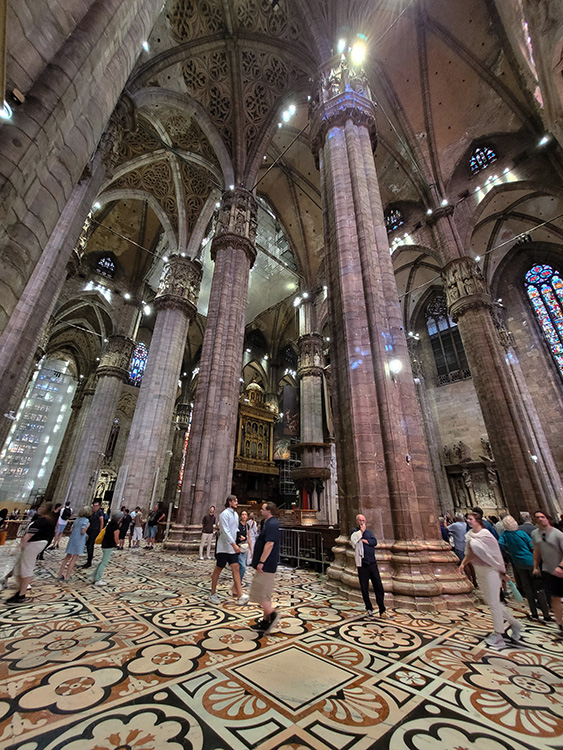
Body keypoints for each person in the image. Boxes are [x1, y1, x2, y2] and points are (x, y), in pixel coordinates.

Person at [460, 511, 522, 649]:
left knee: (494, 603)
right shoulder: (469, 535)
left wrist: (502, 571)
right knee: (491, 602)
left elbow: (495, 554)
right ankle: (515, 624)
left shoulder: (486, 534)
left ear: (478, 520)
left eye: (470, 519)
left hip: (491, 570)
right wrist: (463, 564)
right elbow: (469, 553)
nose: (468, 521)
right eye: (467, 519)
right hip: (479, 569)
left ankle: (499, 634)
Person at [499, 515, 550, 623]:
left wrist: (508, 553)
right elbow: (532, 547)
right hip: (530, 561)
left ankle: (534, 613)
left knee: (527, 587)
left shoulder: (505, 535)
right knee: (539, 587)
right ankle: (546, 614)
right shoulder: (521, 534)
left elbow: (500, 544)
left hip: (518, 563)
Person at [4, 503, 57, 605]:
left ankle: (21, 594)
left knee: (26, 567)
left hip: (34, 544)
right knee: (20, 567)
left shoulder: (43, 521)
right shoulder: (46, 520)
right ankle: (19, 588)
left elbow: (29, 535)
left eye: (42, 507)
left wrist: (18, 547)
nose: (39, 508)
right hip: (37, 544)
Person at [209, 495, 249, 605]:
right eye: (234, 501)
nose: (236, 502)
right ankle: (212, 593)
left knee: (236, 568)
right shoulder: (224, 514)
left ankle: (240, 595)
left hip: (232, 547)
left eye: (237, 500)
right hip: (224, 547)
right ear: (229, 502)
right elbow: (225, 530)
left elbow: (234, 529)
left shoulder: (235, 515)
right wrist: (233, 544)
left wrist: (239, 537)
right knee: (218, 569)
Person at [249, 502, 281, 633]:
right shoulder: (266, 522)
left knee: (260, 591)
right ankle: (265, 621)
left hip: (267, 564)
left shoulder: (273, 524)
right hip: (264, 563)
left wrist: (261, 561)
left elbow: (269, 544)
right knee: (265, 593)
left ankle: (272, 614)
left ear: (269, 511)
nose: (260, 511)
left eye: (262, 509)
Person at [532, 510, 563, 642]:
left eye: (542, 517)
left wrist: (561, 567)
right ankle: (561, 625)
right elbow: (537, 550)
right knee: (554, 598)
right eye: (537, 518)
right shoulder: (535, 534)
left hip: (560, 570)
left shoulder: (558, 534)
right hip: (547, 570)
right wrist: (535, 566)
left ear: (547, 519)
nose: (540, 519)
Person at [351, 513, 388, 619]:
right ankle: (369, 608)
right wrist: (361, 532)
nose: (362, 522)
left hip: (372, 563)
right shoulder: (354, 532)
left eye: (363, 520)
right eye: (360, 520)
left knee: (378, 586)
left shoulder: (369, 532)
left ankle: (382, 609)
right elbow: (354, 541)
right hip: (362, 564)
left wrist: (366, 541)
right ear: (357, 521)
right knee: (364, 587)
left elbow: (374, 542)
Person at [57, 507, 90, 580]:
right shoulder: (86, 520)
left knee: (67, 556)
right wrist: (87, 527)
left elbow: (71, 528)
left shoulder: (77, 519)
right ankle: (67, 576)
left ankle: (59, 574)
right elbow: (83, 531)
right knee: (74, 558)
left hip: (72, 538)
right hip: (79, 540)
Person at [90, 511, 121, 586]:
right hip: (109, 545)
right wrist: (117, 543)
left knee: (102, 562)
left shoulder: (109, 524)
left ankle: (93, 576)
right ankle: (98, 579)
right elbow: (116, 537)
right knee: (104, 563)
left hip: (104, 544)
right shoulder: (116, 526)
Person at [81, 500, 104, 568]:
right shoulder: (92, 513)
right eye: (94, 505)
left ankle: (89, 561)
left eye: (96, 506)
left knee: (90, 545)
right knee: (88, 544)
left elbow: (101, 521)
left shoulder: (100, 513)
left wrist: (100, 531)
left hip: (95, 530)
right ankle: (88, 559)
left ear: (99, 506)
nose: (95, 507)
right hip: (90, 530)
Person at [236, 510, 252, 583]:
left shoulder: (247, 526)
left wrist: (251, 550)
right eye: (243, 514)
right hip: (237, 546)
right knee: (241, 565)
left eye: (245, 514)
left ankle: (239, 580)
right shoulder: (237, 524)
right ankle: (238, 581)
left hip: (244, 547)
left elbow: (248, 537)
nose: (244, 516)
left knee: (243, 565)